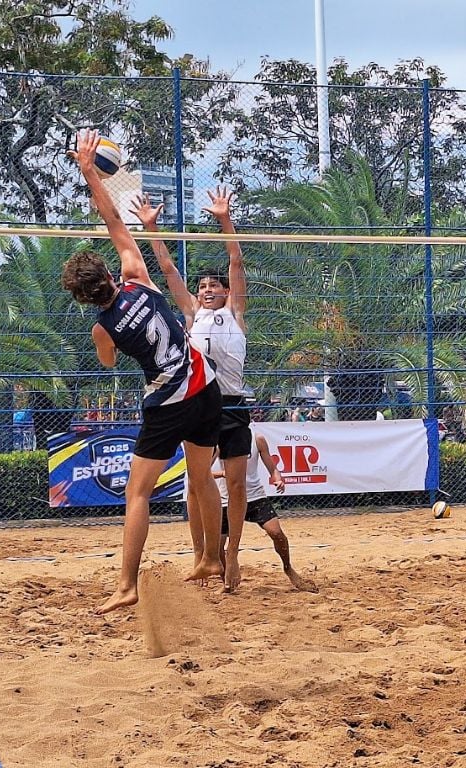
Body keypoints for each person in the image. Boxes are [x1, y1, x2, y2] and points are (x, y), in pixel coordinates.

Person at [62, 130, 224, 614]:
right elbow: (113, 218)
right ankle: (211, 559)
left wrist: (108, 340)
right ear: (111, 276)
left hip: (168, 401)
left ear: (84, 298)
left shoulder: (101, 328)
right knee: (202, 479)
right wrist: (90, 170)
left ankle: (127, 586)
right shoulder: (136, 277)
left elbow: (109, 362)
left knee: (137, 494)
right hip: (205, 385)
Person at [131, 186, 254, 592]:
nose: (207, 290)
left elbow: (236, 260)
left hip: (233, 405)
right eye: (202, 286)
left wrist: (224, 219)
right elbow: (166, 269)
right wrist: (151, 228)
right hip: (200, 404)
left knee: (235, 485)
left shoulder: (235, 313)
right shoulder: (192, 313)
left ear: (226, 293)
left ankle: (231, 556)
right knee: (195, 482)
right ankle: (204, 557)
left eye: (213, 286)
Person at [212, 428, 317, 592]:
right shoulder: (218, 441)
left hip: (255, 496)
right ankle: (227, 581)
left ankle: (288, 568)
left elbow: (273, 469)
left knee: (277, 533)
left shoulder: (257, 439)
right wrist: (225, 473)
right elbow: (202, 473)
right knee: (217, 546)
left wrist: (278, 479)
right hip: (227, 500)